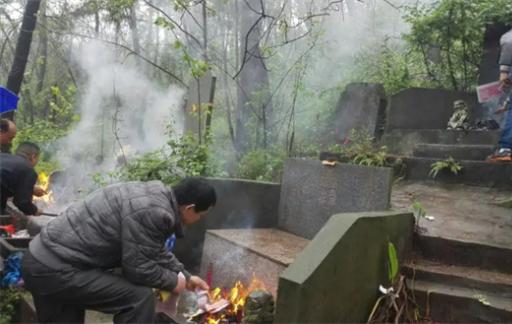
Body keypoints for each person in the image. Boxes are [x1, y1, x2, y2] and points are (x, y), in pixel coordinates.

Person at [22, 177, 216, 323]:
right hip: (55, 269)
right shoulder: (156, 213)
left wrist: (186, 276)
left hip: (42, 259)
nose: (199, 219)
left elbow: (152, 249)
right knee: (138, 297)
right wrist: (174, 282)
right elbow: (138, 269)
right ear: (189, 208)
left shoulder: (155, 194)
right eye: (201, 215)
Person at [489, 28, 512, 161]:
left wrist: (504, 71)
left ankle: (506, 149)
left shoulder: (508, 37)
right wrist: (507, 103)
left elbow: (509, 42)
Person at [0, 142, 42, 215]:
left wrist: (30, 189)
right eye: (37, 159)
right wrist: (34, 211)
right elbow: (21, 202)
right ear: (33, 156)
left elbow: (6, 181)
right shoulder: (27, 169)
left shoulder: (3, 157)